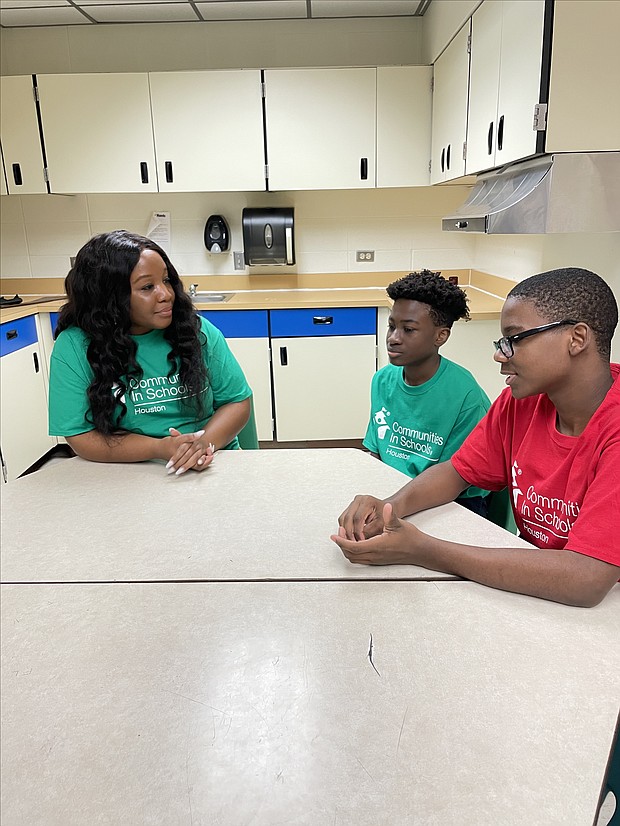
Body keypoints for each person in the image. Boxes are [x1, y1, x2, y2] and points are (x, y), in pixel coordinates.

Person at [332, 267, 620, 608]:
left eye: (514, 339)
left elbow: (585, 580)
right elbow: (457, 472)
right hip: (534, 592)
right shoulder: (521, 404)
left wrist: (423, 550)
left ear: (576, 338)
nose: (500, 354)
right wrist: (389, 508)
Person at [49, 230, 252, 475]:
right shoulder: (74, 346)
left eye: (166, 280)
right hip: (129, 473)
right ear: (109, 298)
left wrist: (199, 446)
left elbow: (236, 401)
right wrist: (160, 448)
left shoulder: (196, 330)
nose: (166, 294)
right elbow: (80, 436)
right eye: (147, 287)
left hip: (214, 460)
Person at [364, 270, 490, 515]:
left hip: (452, 502)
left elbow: (453, 481)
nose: (393, 338)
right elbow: (375, 451)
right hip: (394, 492)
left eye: (408, 330)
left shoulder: (466, 398)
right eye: (391, 327)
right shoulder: (382, 380)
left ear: (440, 336)